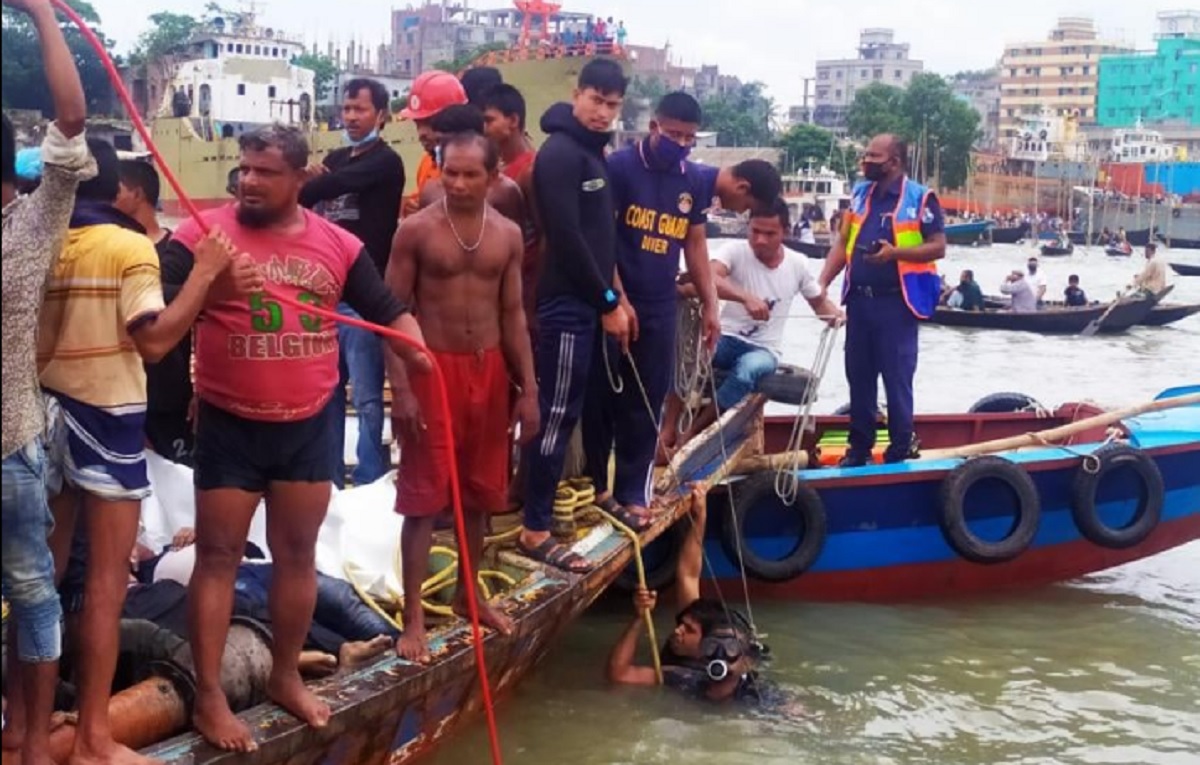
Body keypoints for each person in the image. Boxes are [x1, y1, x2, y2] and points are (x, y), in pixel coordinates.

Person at [161, 125, 429, 753]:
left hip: (309, 420)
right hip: (230, 420)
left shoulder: (338, 244)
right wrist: (206, 283)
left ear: (300, 179)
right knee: (218, 557)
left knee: (298, 556)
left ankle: (285, 676)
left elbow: (387, 307)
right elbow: (161, 308)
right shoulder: (202, 236)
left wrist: (416, 351)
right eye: (244, 169)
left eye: (265, 171)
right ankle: (209, 696)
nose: (249, 180)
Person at [38, 137, 240, 765]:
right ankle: (94, 739)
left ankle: (32, 725)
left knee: (38, 583)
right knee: (104, 584)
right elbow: (155, 343)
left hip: (43, 419)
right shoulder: (128, 247)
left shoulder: (36, 239)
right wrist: (204, 273)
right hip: (109, 419)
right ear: (118, 190)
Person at [385, 132, 538, 661]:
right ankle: (413, 619)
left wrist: (529, 390)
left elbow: (514, 315)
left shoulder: (508, 234)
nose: (458, 183)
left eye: (471, 174)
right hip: (433, 372)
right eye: (450, 171)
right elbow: (391, 314)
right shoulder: (415, 232)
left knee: (481, 493)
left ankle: (469, 598)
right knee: (424, 499)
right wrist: (401, 389)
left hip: (490, 370)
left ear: (493, 177)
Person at [1, 2, 88, 761]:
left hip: (12, 449)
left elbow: (69, 115)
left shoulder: (29, 228)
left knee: (32, 596)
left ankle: (30, 741)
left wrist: (39, 14)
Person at [582, 92, 726, 530]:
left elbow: (695, 245)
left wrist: (711, 305)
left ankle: (633, 491)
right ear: (653, 128)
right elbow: (601, 238)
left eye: (688, 137)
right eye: (673, 134)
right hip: (615, 300)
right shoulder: (620, 167)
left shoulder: (694, 179)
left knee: (647, 401)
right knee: (602, 398)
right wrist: (617, 298)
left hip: (662, 304)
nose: (680, 143)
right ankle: (595, 488)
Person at [521, 58, 631, 573]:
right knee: (556, 414)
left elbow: (600, 241)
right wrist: (605, 302)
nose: (602, 112)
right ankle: (535, 527)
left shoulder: (594, 154)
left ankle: (594, 488)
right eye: (596, 100)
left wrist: (615, 295)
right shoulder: (561, 155)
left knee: (594, 407)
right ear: (577, 93)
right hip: (567, 302)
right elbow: (565, 238)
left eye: (612, 105)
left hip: (595, 300)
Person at [299, 78, 406, 487]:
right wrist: (313, 182)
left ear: (381, 115)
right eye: (346, 109)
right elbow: (307, 198)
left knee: (366, 397)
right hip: (327, 293)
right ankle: (328, 477)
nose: (351, 117)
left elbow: (326, 186)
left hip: (362, 295)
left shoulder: (385, 161)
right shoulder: (340, 155)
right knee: (327, 391)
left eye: (360, 110)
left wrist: (314, 180)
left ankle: (369, 477)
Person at [818, 134, 945, 467]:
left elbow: (938, 246)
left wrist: (895, 254)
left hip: (897, 304)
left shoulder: (920, 198)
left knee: (896, 376)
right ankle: (858, 449)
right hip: (859, 302)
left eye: (873, 156)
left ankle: (900, 448)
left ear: (894, 162)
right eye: (865, 154)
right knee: (858, 376)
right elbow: (842, 242)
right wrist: (821, 283)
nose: (865, 160)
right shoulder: (860, 194)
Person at [673, 201, 841, 440]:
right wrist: (745, 298)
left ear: (785, 232)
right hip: (727, 336)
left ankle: (693, 432)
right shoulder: (734, 251)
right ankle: (668, 430)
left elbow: (820, 305)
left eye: (769, 233)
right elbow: (707, 276)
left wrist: (835, 317)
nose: (760, 240)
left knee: (746, 371)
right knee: (687, 364)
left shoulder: (798, 264)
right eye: (755, 231)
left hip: (764, 349)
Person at [115, 159, 197, 467]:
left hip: (168, 393)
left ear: (137, 194)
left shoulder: (179, 250)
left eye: (116, 190)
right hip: (119, 394)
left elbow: (203, 316)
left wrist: (200, 388)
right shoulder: (109, 250)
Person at [479, 84, 541, 329]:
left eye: (489, 120)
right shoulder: (506, 168)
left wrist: (530, 303)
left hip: (523, 288)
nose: (484, 129)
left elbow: (543, 238)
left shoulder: (529, 172)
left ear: (513, 120)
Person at [417, 105, 525, 224]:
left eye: (443, 142)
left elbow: (516, 239)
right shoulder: (430, 191)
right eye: (437, 142)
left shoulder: (505, 192)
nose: (438, 149)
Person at [399, 71, 468, 217]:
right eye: (417, 124)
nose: (421, 133)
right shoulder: (426, 164)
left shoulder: (479, 166)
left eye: (429, 123)